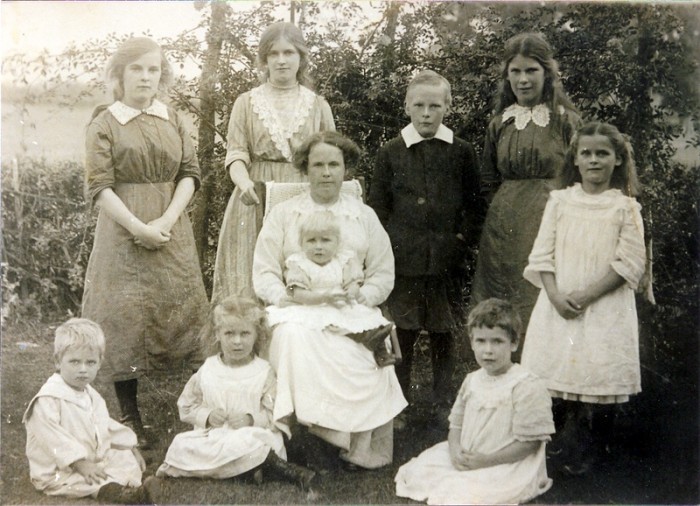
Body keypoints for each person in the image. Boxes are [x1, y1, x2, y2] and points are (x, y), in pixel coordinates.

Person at [253, 131, 407, 470]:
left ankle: (353, 444)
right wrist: (287, 299)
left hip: (349, 308)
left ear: (346, 169)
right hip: (298, 308)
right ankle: (308, 439)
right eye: (317, 164)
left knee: (361, 348)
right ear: (304, 169)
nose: (326, 172)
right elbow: (264, 271)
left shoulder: (363, 215)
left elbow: (382, 271)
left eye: (334, 165)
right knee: (293, 338)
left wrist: (361, 297)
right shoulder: (284, 213)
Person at [82, 37, 208, 449]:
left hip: (171, 228)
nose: (145, 77)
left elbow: (189, 173)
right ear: (119, 76)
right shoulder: (104, 122)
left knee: (183, 309)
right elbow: (99, 186)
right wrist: (138, 227)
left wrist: (168, 220)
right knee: (125, 318)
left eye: (153, 69)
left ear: (162, 76)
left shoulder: (172, 117)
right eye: (136, 69)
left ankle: (201, 410)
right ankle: (129, 414)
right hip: (123, 230)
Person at [521, 121, 646, 475]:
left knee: (598, 375)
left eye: (602, 154)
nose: (594, 161)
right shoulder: (560, 202)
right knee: (555, 374)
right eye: (586, 153)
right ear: (575, 159)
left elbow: (630, 263)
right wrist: (557, 296)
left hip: (604, 305)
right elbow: (541, 255)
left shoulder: (625, 208)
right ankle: (548, 449)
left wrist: (588, 295)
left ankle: (592, 454)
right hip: (557, 305)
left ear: (618, 160)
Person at [368, 70, 484, 419]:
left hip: (446, 262)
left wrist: (461, 240)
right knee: (402, 331)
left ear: (448, 106)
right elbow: (377, 207)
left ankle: (442, 402)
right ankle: (399, 404)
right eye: (419, 105)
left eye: (435, 105)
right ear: (407, 107)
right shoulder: (391, 152)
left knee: (442, 330)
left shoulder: (461, 152)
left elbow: (475, 205)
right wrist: (390, 247)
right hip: (403, 261)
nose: (427, 113)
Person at [212, 21, 336, 303]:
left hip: (303, 196)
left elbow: (331, 159)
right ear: (264, 60)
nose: (281, 60)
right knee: (252, 280)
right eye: (273, 54)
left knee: (301, 274)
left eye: (289, 53)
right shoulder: (246, 103)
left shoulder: (317, 105)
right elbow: (236, 154)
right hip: (255, 195)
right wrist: (244, 183)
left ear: (301, 58)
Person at [470, 32, 581, 345]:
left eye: (531, 70)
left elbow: (578, 177)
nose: (523, 79)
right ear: (506, 77)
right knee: (501, 298)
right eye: (515, 72)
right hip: (503, 228)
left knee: (541, 294)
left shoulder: (565, 121)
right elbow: (488, 179)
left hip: (550, 221)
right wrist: (507, 206)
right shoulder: (500, 122)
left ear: (547, 73)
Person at [395, 299, 555, 505]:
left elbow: (531, 443)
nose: (488, 350)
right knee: (420, 472)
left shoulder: (526, 384)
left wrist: (486, 461)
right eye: (481, 341)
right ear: (471, 342)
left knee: (469, 493)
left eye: (497, 341)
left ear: (514, 343)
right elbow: (457, 423)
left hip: (506, 461)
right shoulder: (472, 380)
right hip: (469, 454)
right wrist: (454, 452)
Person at [156, 296, 316, 491]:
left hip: (250, 436)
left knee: (249, 443)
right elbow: (187, 405)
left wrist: (251, 419)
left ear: (257, 335)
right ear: (217, 334)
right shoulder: (208, 369)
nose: (237, 341)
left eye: (245, 333)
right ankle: (248, 470)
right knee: (180, 444)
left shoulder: (263, 372)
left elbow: (276, 413)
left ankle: (277, 469)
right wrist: (206, 416)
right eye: (229, 333)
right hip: (214, 437)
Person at [23, 318, 161, 503]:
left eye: (90, 363)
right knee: (87, 483)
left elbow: (104, 425)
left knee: (120, 456)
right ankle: (126, 495)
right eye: (74, 362)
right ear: (58, 361)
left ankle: (141, 479)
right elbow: (52, 438)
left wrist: (130, 446)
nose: (82, 370)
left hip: (91, 459)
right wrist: (79, 463)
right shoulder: (48, 399)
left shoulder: (90, 394)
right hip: (61, 470)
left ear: (99, 362)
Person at [266, 210, 395, 367]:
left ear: (337, 243)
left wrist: (350, 293)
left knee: (366, 317)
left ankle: (378, 346)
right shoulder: (298, 263)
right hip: (310, 305)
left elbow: (353, 283)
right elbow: (298, 294)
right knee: (329, 325)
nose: (318, 246)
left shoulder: (343, 260)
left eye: (325, 240)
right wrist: (324, 298)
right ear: (301, 243)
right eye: (311, 241)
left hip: (338, 302)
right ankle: (364, 337)